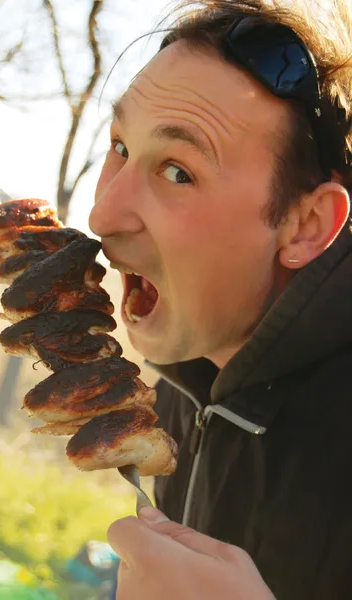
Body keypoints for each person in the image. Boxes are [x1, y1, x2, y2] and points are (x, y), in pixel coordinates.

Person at [88, 0, 352, 598]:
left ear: (307, 226)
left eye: (178, 172)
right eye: (121, 147)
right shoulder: (183, 390)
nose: (102, 215)